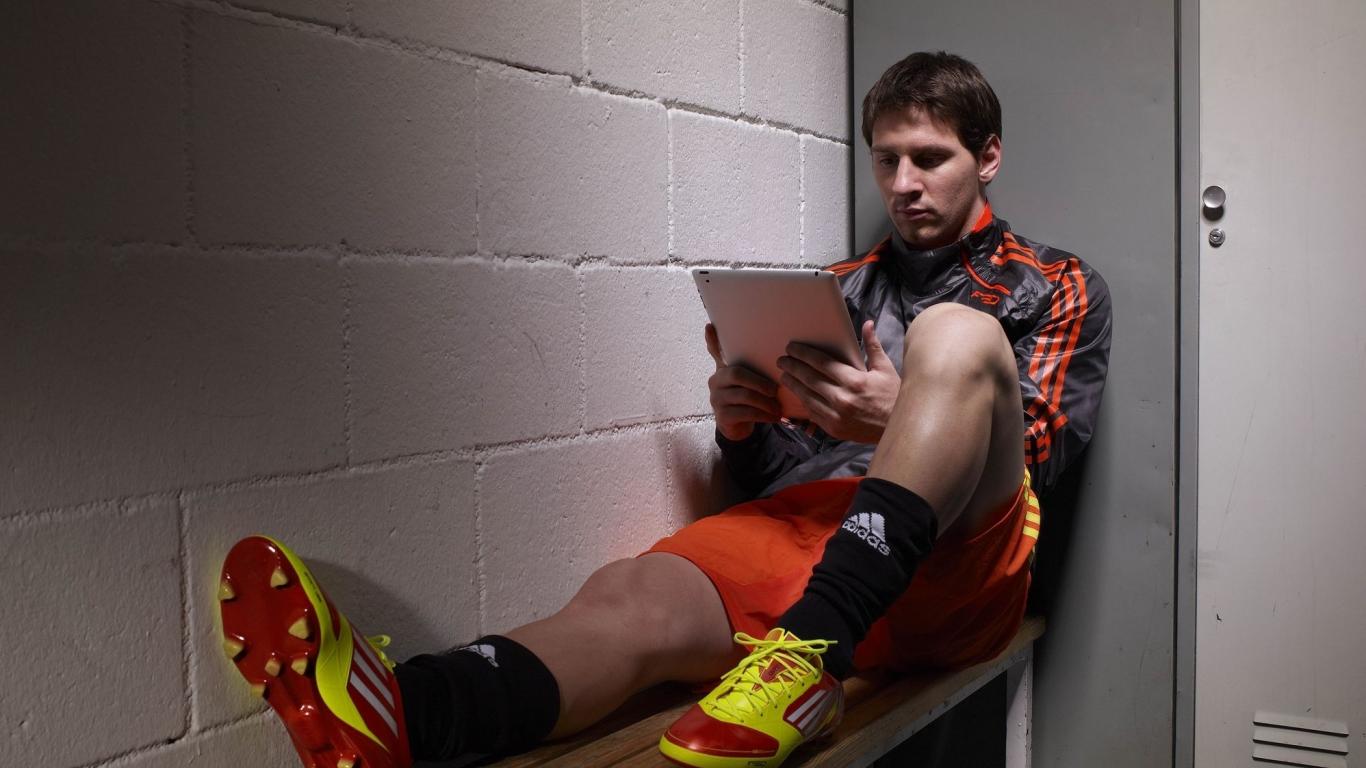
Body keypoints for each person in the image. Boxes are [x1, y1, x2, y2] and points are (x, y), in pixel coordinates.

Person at [215, 51, 1112, 768]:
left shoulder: (1056, 283)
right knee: (630, 598)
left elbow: (1040, 458)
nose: (905, 183)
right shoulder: (835, 287)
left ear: (986, 157)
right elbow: (776, 474)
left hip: (960, 556)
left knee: (957, 335)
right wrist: (741, 426)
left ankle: (808, 654)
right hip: (815, 531)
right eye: (888, 160)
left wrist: (892, 418)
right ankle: (407, 712)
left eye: (931, 158)